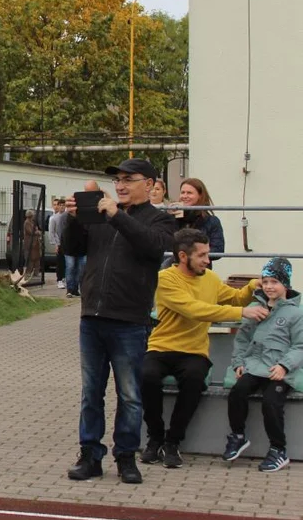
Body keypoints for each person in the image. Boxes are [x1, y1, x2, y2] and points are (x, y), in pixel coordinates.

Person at [62, 159, 176, 484]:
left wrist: (117, 216)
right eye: (118, 181)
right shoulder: (98, 216)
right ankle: (90, 455)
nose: (121, 185)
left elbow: (152, 246)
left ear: (151, 184)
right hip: (92, 318)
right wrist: (73, 220)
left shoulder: (161, 220)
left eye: (129, 179)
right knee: (90, 393)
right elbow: (72, 249)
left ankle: (126, 456)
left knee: (129, 394)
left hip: (129, 320)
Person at [139, 229, 267, 469]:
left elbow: (234, 298)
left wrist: (252, 287)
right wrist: (242, 312)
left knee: (195, 379)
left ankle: (173, 441)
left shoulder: (210, 278)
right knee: (147, 376)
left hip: (194, 351)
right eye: (202, 255)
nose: (208, 260)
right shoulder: (166, 279)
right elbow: (195, 309)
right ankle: (154, 438)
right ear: (183, 256)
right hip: (161, 346)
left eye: (208, 254)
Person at [224, 257, 303, 472]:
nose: (269, 286)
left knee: (271, 402)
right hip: (255, 365)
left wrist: (284, 366)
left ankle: (279, 450)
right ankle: (238, 436)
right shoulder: (254, 308)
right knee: (237, 392)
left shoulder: (296, 313)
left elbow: (300, 346)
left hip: (279, 371)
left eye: (274, 282)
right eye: (265, 281)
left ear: (285, 284)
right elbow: (242, 339)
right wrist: (238, 361)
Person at [64, 181, 99, 299]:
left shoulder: (99, 211)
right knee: (70, 268)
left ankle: (79, 289)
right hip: (70, 247)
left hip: (83, 248)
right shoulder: (72, 212)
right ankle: (70, 289)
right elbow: (65, 228)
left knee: (81, 271)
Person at [174, 178, 225, 257]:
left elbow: (218, 250)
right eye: (182, 192)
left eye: (189, 193)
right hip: (175, 266)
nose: (185, 196)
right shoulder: (173, 218)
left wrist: (193, 254)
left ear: (200, 196)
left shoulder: (211, 221)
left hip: (200, 267)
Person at [48, 198, 67, 289]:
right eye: (60, 205)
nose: (62, 207)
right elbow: (52, 232)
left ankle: (65, 278)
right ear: (58, 206)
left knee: (67, 262)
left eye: (63, 205)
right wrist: (55, 244)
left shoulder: (67, 216)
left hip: (68, 242)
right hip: (59, 243)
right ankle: (59, 280)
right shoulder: (53, 218)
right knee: (60, 262)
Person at [21, 209, 42, 282]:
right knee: (30, 258)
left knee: (37, 257)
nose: (34, 217)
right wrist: (38, 232)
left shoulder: (32, 222)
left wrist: (37, 232)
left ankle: (36, 272)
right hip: (30, 243)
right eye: (33, 215)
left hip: (35, 243)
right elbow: (30, 231)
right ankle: (28, 272)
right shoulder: (26, 222)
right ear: (30, 216)